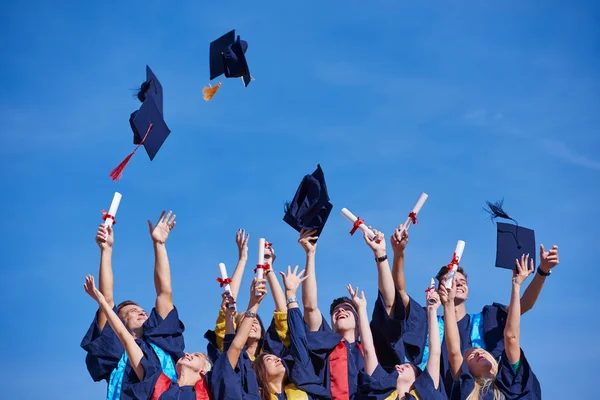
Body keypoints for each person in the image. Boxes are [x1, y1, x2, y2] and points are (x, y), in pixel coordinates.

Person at [387, 224, 559, 387]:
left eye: (463, 281)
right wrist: (399, 253)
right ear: (440, 290)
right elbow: (399, 292)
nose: (459, 284)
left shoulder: (485, 320)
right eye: (452, 280)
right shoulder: (427, 322)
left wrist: (542, 272)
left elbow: (523, 306)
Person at [80, 211, 185, 400]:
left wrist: (159, 244)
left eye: (142, 310)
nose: (141, 312)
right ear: (119, 321)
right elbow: (107, 299)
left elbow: (164, 292)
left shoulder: (162, 341)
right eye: (132, 311)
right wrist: (106, 250)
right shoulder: (114, 350)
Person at [83, 275, 212, 400]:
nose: (187, 354)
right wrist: (102, 302)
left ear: (203, 371)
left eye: (196, 356)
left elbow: (164, 292)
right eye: (132, 311)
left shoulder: (209, 391)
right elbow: (125, 338)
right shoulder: (160, 384)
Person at [441, 254, 541, 400]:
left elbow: (511, 336)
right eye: (472, 355)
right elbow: (454, 353)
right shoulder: (465, 389)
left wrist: (520, 283)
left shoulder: (512, 384)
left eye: (462, 281)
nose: (479, 353)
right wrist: (447, 304)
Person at [349, 281, 447, 400]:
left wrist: (432, 310)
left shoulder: (426, 394)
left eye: (406, 366)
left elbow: (435, 353)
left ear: (418, 378)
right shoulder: (379, 392)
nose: (397, 366)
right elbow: (368, 350)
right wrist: (361, 309)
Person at [204, 229, 289, 363]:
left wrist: (269, 269)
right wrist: (242, 259)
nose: (253, 321)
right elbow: (229, 305)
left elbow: (284, 315)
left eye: (256, 320)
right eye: (245, 320)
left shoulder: (272, 357)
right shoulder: (229, 351)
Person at [251, 265, 331, 400]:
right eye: (269, 359)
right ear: (259, 372)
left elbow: (298, 338)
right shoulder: (255, 397)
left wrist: (291, 295)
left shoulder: (305, 386)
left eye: (275, 357)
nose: (277, 358)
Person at [210, 278, 268, 400]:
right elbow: (234, 345)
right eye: (246, 322)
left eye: (256, 322)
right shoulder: (233, 357)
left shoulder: (269, 360)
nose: (252, 324)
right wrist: (253, 304)